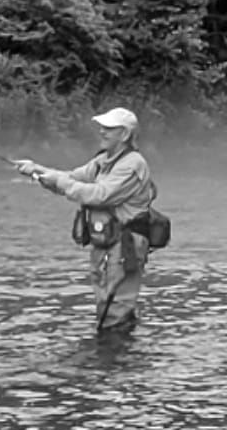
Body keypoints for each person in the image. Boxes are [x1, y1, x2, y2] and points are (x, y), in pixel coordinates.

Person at [13, 107, 157, 334]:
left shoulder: (133, 164)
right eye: (102, 127)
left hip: (125, 245)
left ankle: (114, 358)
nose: (102, 132)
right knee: (107, 304)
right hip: (107, 243)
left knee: (115, 307)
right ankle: (119, 355)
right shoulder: (103, 161)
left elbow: (99, 194)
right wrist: (36, 169)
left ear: (125, 134)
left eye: (109, 128)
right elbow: (71, 177)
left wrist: (57, 181)